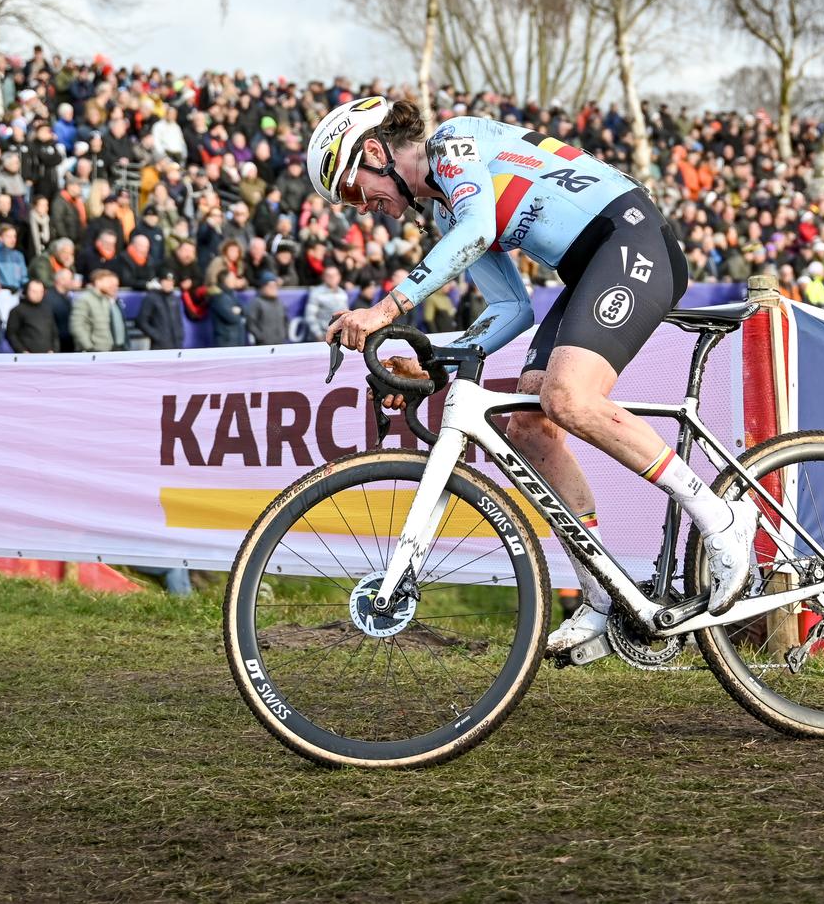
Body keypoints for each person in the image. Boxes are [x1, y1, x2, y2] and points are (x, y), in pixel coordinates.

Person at [307, 96, 756, 656]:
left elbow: (479, 225)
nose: (362, 208)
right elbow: (511, 309)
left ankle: (720, 517)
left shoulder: (453, 145)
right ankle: (602, 596)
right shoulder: (445, 214)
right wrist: (432, 365)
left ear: (376, 151)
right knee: (528, 426)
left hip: (630, 239)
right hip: (589, 268)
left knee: (567, 397)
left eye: (353, 191)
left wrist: (386, 309)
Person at [70, 267, 126, 353]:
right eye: (109, 283)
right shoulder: (84, 299)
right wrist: (89, 347)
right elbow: (76, 326)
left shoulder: (107, 300)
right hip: (94, 352)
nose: (113, 287)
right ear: (98, 282)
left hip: (108, 350)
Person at [6, 278, 60, 353]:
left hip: (48, 357)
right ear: (26, 291)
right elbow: (11, 334)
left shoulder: (47, 309)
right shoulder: (17, 310)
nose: (38, 294)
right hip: (27, 358)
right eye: (34, 291)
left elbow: (54, 333)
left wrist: (54, 350)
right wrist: (22, 351)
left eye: (40, 291)